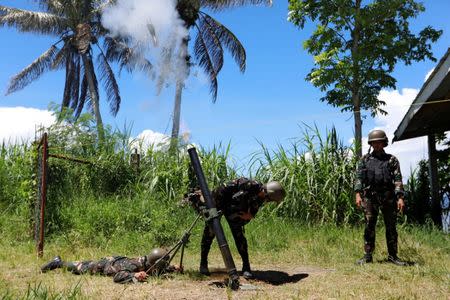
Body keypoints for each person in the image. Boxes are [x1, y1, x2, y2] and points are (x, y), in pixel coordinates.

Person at [185, 178, 286, 279]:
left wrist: (249, 215)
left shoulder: (261, 197)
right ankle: (203, 264)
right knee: (210, 232)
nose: (268, 202)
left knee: (239, 236)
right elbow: (224, 188)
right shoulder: (250, 184)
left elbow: (253, 209)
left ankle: (246, 267)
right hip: (220, 200)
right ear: (267, 194)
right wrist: (213, 207)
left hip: (234, 210)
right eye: (270, 200)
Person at [354, 129, 407, 266]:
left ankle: (393, 256)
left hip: (388, 197)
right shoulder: (364, 160)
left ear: (384, 143)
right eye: (374, 143)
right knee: (369, 226)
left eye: (379, 142)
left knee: (391, 227)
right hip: (370, 198)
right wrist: (358, 194)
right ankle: (368, 255)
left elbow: (397, 179)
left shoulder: (392, 160)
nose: (377, 145)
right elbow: (359, 178)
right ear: (371, 144)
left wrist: (400, 197)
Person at [40, 248, 182, 283]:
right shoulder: (134, 266)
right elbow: (117, 277)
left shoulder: (147, 262)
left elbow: (156, 269)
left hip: (112, 261)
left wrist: (173, 268)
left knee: (82, 263)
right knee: (79, 267)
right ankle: (58, 262)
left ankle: (59, 261)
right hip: (103, 266)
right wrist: (134, 276)